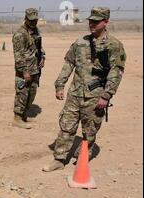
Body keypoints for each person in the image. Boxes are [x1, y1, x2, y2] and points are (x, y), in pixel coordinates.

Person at [43, 7, 126, 172]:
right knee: (66, 126)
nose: (92, 24)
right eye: (90, 21)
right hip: (75, 93)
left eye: (96, 21)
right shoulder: (80, 42)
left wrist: (106, 95)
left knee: (90, 129)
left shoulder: (114, 45)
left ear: (106, 22)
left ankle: (82, 158)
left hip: (95, 97)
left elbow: (116, 73)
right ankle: (59, 159)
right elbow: (69, 64)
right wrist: (60, 84)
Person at [12, 8, 45, 129]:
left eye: (35, 20)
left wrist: (43, 56)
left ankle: (24, 116)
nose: (33, 23)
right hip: (25, 70)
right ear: (25, 19)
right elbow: (18, 55)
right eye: (31, 20)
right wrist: (24, 70)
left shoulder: (35, 31)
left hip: (35, 68)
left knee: (31, 93)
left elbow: (39, 47)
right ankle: (17, 118)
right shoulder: (20, 34)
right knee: (22, 94)